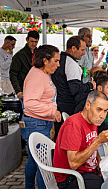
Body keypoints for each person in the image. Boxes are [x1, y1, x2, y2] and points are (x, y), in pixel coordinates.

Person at [53, 91, 108, 189]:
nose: (102, 116)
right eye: (99, 109)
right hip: (71, 177)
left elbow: (90, 144)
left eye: (105, 111)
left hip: (88, 171)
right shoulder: (73, 125)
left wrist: (98, 161)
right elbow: (73, 164)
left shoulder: (92, 119)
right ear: (87, 105)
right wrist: (98, 141)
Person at [21, 45, 61, 189]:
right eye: (55, 61)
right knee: (44, 165)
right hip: (37, 124)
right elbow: (30, 103)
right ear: (45, 60)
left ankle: (29, 187)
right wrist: (52, 112)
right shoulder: (37, 76)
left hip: (40, 123)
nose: (58, 64)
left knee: (34, 160)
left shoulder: (42, 73)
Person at [51, 36, 96, 142]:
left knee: (59, 136)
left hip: (59, 103)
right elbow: (74, 89)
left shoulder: (60, 59)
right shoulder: (70, 63)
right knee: (66, 138)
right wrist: (90, 85)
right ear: (73, 48)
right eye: (82, 50)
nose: (84, 53)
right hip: (68, 106)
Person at [10, 30, 39, 99]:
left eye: (36, 42)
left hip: (38, 90)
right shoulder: (19, 55)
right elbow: (13, 74)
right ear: (27, 40)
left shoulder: (39, 54)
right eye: (32, 41)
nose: (34, 44)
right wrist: (18, 91)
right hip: (25, 91)